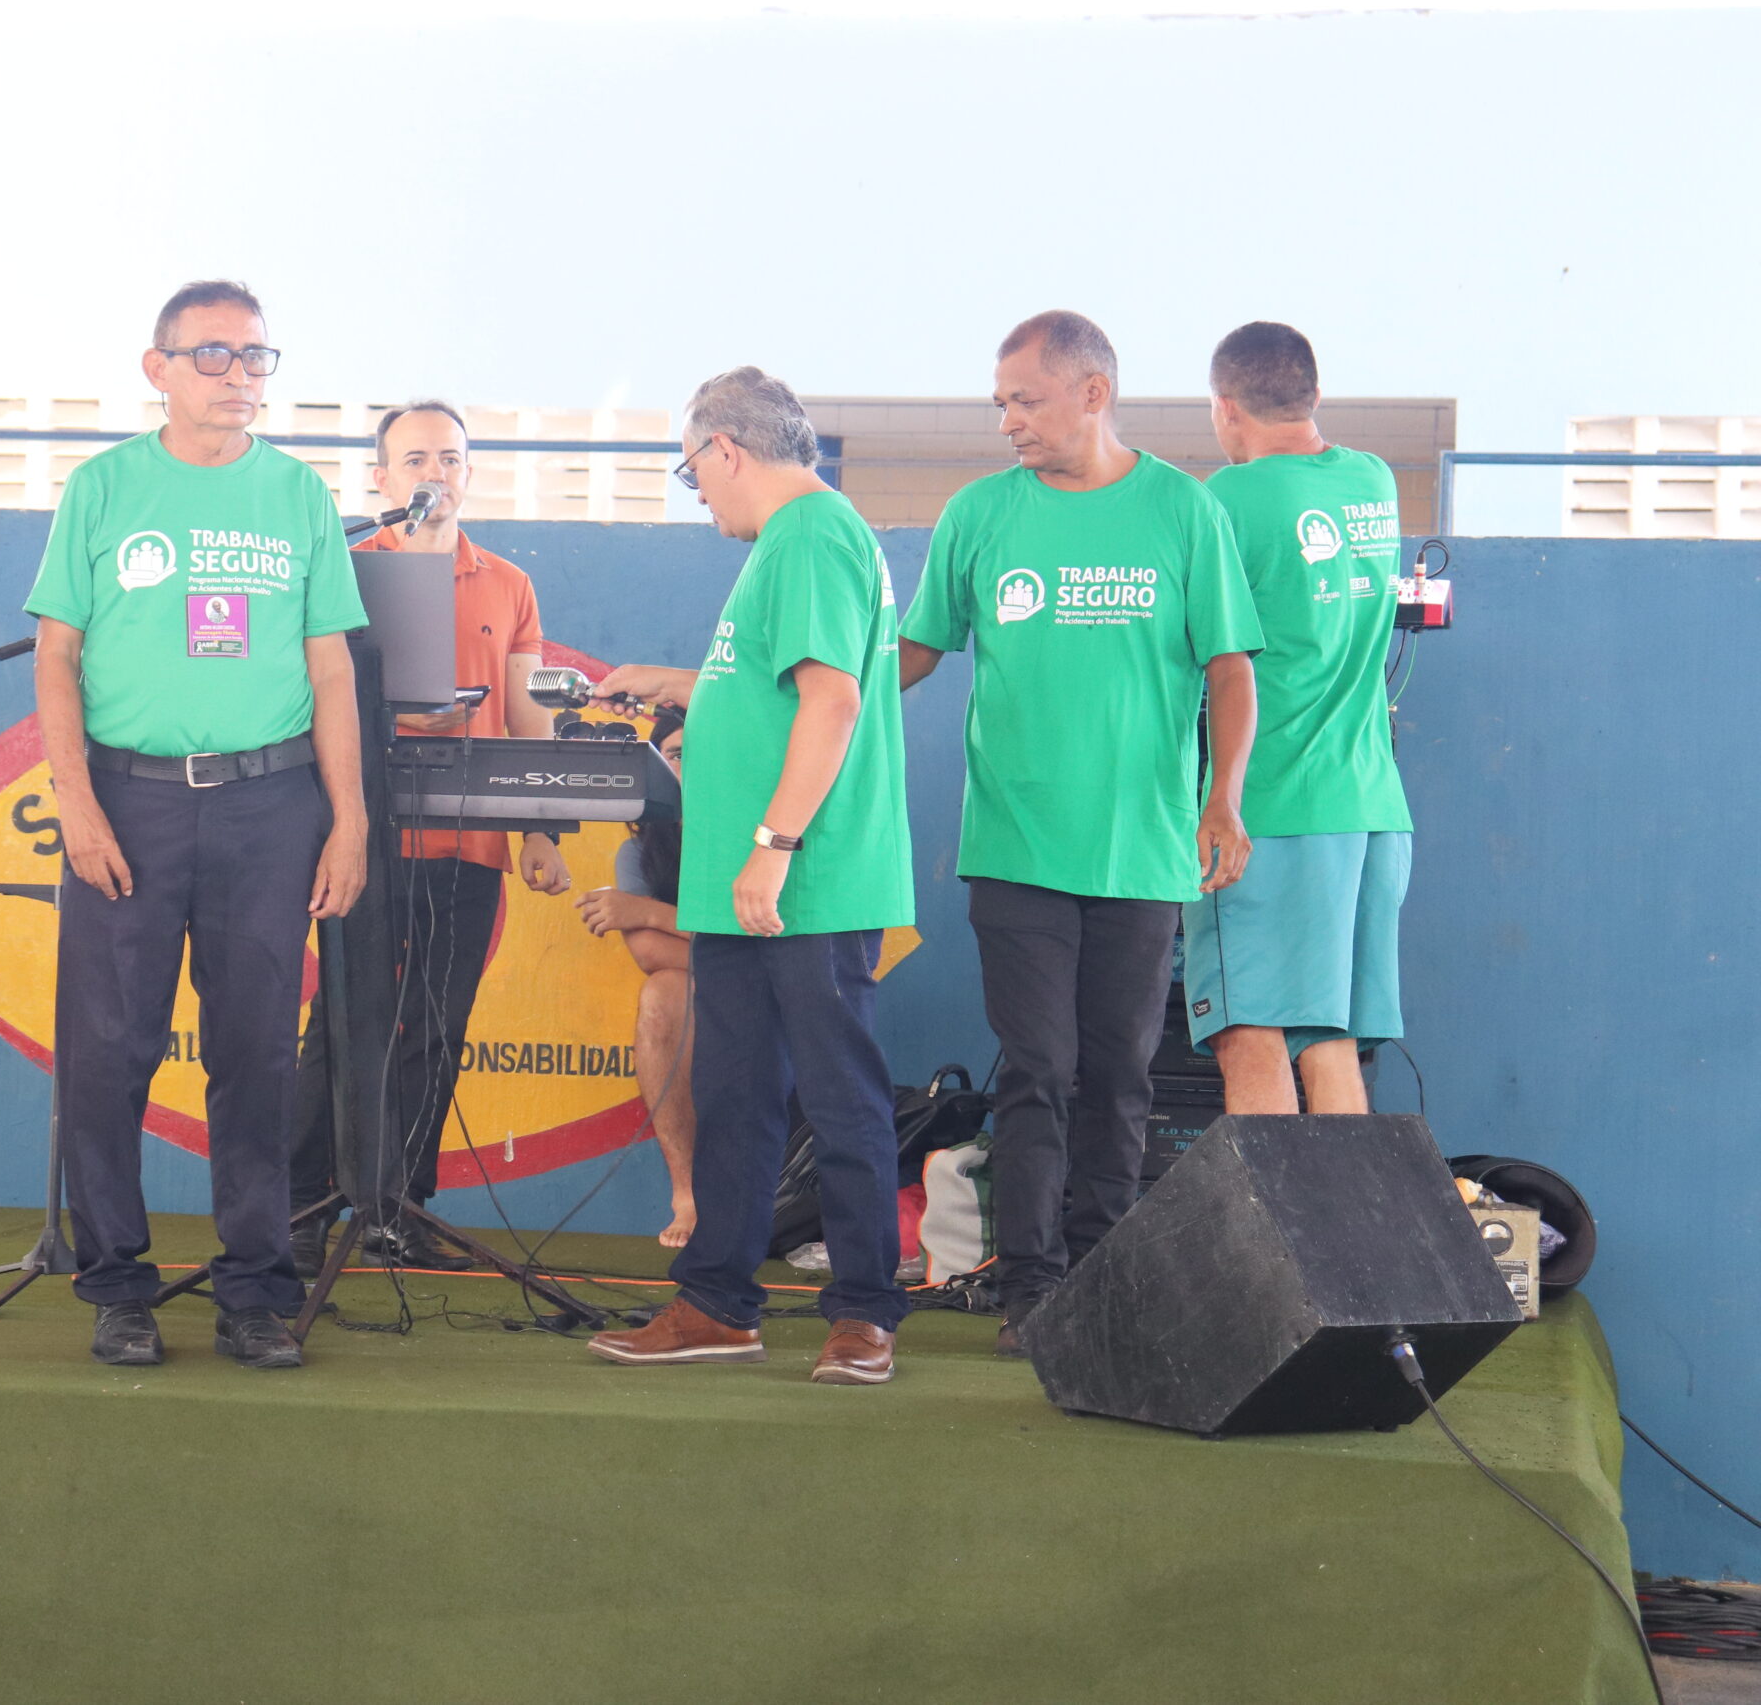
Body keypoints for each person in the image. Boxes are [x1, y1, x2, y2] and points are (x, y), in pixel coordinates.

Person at [896, 310, 1263, 1358]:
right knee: (1036, 1070)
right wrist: (809, 706)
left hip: (1142, 852)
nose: (1008, 420)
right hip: (1014, 847)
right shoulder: (978, 514)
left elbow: (1231, 667)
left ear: (1093, 393)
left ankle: (1101, 1281)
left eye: (1026, 399)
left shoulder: (1184, 511)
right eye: (1000, 403)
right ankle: (1034, 1289)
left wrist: (1223, 799)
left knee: (1118, 1075)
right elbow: (914, 652)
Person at [25, 280, 368, 1372]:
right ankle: (117, 1286)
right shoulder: (102, 488)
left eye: (256, 356)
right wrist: (77, 802)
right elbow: (57, 656)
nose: (239, 375)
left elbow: (330, 668)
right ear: (157, 368)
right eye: (213, 354)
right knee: (108, 1052)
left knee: (256, 1055)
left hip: (272, 806)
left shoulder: (300, 495)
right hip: (129, 802)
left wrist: (350, 819)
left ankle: (255, 1291)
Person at [585, 366, 917, 1388]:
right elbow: (772, 690)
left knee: (839, 1097)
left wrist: (773, 845)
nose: (700, 495)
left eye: (693, 474)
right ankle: (717, 1303)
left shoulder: (809, 536)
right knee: (733, 1096)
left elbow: (832, 701)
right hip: (747, 886)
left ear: (724, 450)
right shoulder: (792, 542)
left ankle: (863, 1314)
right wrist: (682, 686)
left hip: (803, 880)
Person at [287, 401, 570, 1276]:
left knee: (437, 1027)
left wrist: (541, 827)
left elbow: (527, 711)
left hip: (469, 842)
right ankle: (301, 1207)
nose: (433, 474)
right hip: (362, 835)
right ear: (381, 478)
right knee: (344, 1023)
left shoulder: (509, 583)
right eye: (414, 459)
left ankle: (398, 1208)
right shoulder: (344, 570)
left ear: (469, 473)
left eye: (449, 458)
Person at [1192, 322, 1411, 1113]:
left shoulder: (1226, 499)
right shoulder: (1373, 480)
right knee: (1328, 1042)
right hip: (1370, 806)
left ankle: (1270, 1208)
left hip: (1270, 808)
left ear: (1225, 407)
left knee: (1249, 1032)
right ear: (1313, 394)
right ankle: (1340, 1206)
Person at [571, 708, 697, 1246]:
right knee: (663, 993)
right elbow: (650, 954)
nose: (689, 767)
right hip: (707, 987)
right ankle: (686, 1193)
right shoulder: (640, 849)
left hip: (777, 985)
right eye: (676, 755)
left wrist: (645, 910)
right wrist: (708, 940)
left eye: (703, 752)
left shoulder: (761, 834)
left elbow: (760, 940)